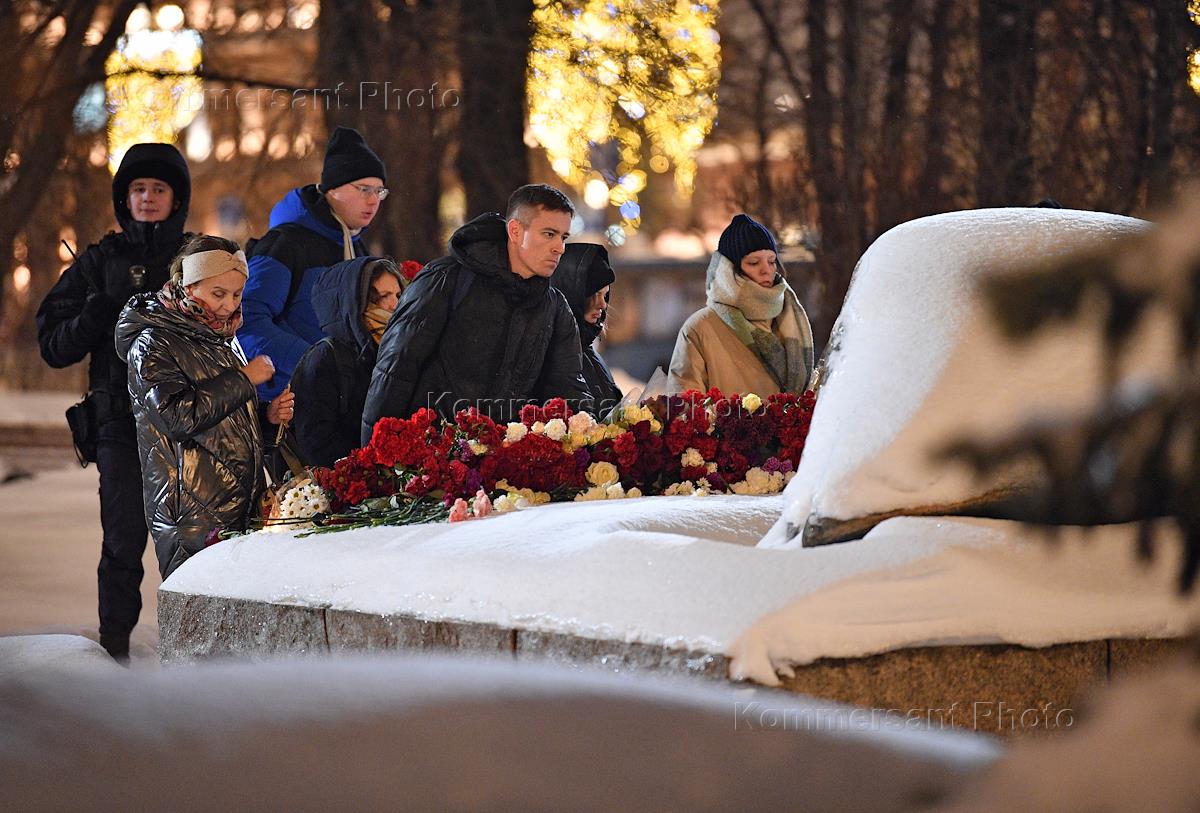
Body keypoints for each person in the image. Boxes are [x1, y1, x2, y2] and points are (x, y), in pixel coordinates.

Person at [35, 142, 193, 662]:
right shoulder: (98, 261)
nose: (147, 198)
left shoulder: (195, 258)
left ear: (176, 198)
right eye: (137, 189)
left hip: (187, 426)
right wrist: (94, 316)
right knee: (123, 542)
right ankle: (115, 653)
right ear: (124, 199)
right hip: (118, 427)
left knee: (193, 542)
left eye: (158, 189)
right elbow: (53, 345)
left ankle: (193, 651)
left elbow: (235, 323)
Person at [115, 236, 294, 579]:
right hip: (192, 515)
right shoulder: (153, 343)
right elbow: (177, 417)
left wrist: (267, 418)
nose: (228, 305)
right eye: (218, 293)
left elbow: (223, 421)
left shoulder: (220, 336)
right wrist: (244, 378)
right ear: (187, 285)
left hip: (238, 505)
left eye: (237, 294)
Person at [362, 184, 591, 439]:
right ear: (515, 231)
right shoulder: (446, 279)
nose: (559, 247)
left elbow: (567, 387)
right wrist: (374, 449)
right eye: (549, 234)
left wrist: (589, 436)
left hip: (502, 455)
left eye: (563, 237)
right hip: (433, 450)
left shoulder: (554, 306)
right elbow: (395, 370)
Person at [237, 126, 387, 401]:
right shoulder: (286, 243)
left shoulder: (357, 247)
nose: (372, 200)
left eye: (379, 191)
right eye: (363, 189)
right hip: (288, 401)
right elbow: (246, 318)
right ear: (332, 189)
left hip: (341, 398)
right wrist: (314, 363)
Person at [667, 214, 815, 397]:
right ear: (729, 269)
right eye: (754, 262)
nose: (767, 270)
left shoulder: (790, 317)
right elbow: (683, 405)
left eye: (771, 261)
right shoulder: (699, 329)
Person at [291, 257, 404, 467]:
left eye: (398, 295)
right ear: (356, 301)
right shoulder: (325, 358)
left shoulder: (396, 349)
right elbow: (315, 438)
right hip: (350, 477)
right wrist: (365, 466)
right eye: (383, 296)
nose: (395, 305)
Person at [551, 242, 623, 418]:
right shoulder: (554, 353)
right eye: (595, 294)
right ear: (572, 293)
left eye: (605, 295)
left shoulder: (587, 349)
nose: (603, 304)